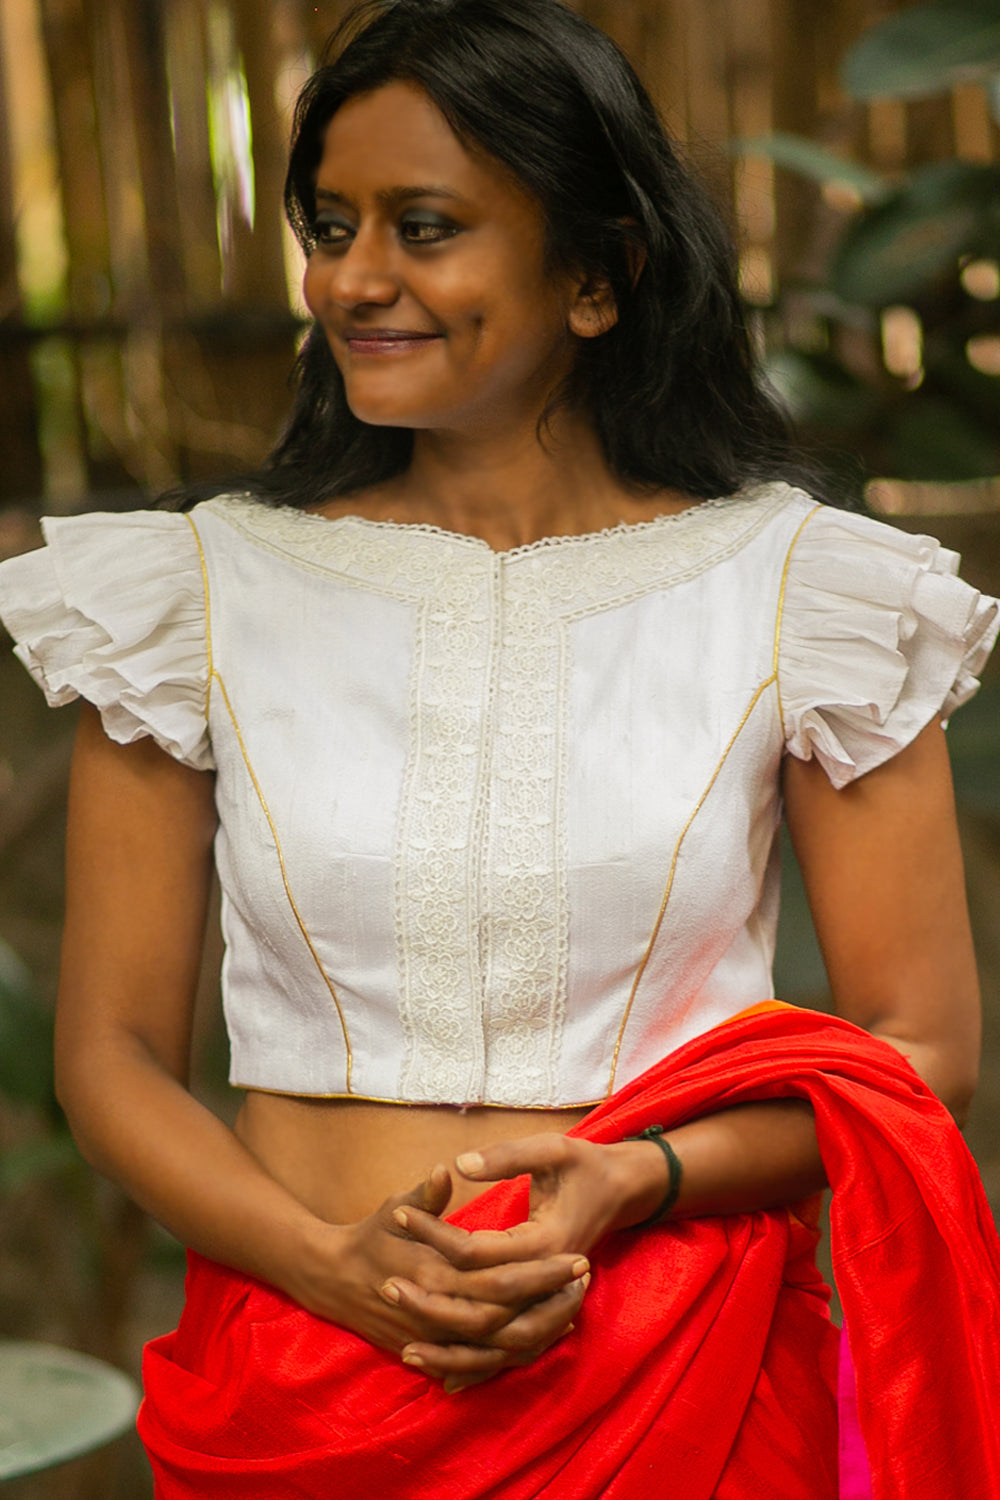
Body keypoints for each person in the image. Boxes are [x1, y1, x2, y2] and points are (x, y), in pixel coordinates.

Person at [1, 1, 999, 1494]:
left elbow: (922, 1047)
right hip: (301, 1382)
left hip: (683, 1371)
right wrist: (334, 1265)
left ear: (598, 277)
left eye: (424, 226)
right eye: (330, 225)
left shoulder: (809, 591)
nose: (355, 278)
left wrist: (634, 1179)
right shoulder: (195, 593)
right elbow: (111, 1058)